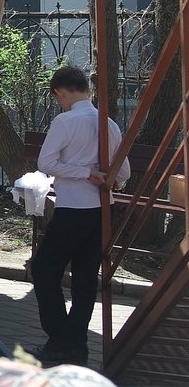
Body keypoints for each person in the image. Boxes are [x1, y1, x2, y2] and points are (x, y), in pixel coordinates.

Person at [30, 65, 130, 366]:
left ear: (60, 93)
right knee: (85, 277)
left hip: (74, 207)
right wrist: (106, 178)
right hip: (103, 208)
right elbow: (123, 171)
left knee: (44, 269)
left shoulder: (66, 121)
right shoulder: (108, 123)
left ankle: (62, 339)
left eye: (57, 97)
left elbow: (46, 163)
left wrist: (84, 173)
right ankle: (76, 343)